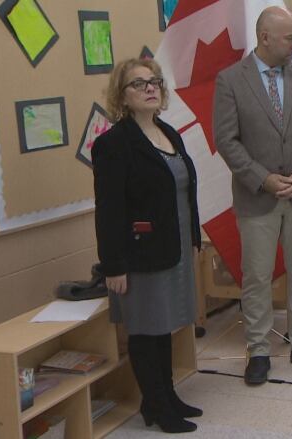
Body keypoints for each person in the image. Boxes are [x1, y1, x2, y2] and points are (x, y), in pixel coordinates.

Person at [213, 6, 292, 385]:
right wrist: (262, 178)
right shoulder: (231, 80)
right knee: (257, 277)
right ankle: (259, 351)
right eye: (290, 38)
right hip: (257, 196)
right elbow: (226, 141)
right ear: (265, 37)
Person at [93, 58, 202, 433]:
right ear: (122, 96)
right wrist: (113, 265)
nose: (150, 88)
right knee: (145, 328)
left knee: (166, 324)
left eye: (154, 81)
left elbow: (184, 192)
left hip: (174, 248)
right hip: (139, 255)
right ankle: (155, 403)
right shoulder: (113, 144)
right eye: (139, 84)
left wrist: (194, 238)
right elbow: (109, 210)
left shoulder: (169, 133)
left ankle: (166, 397)